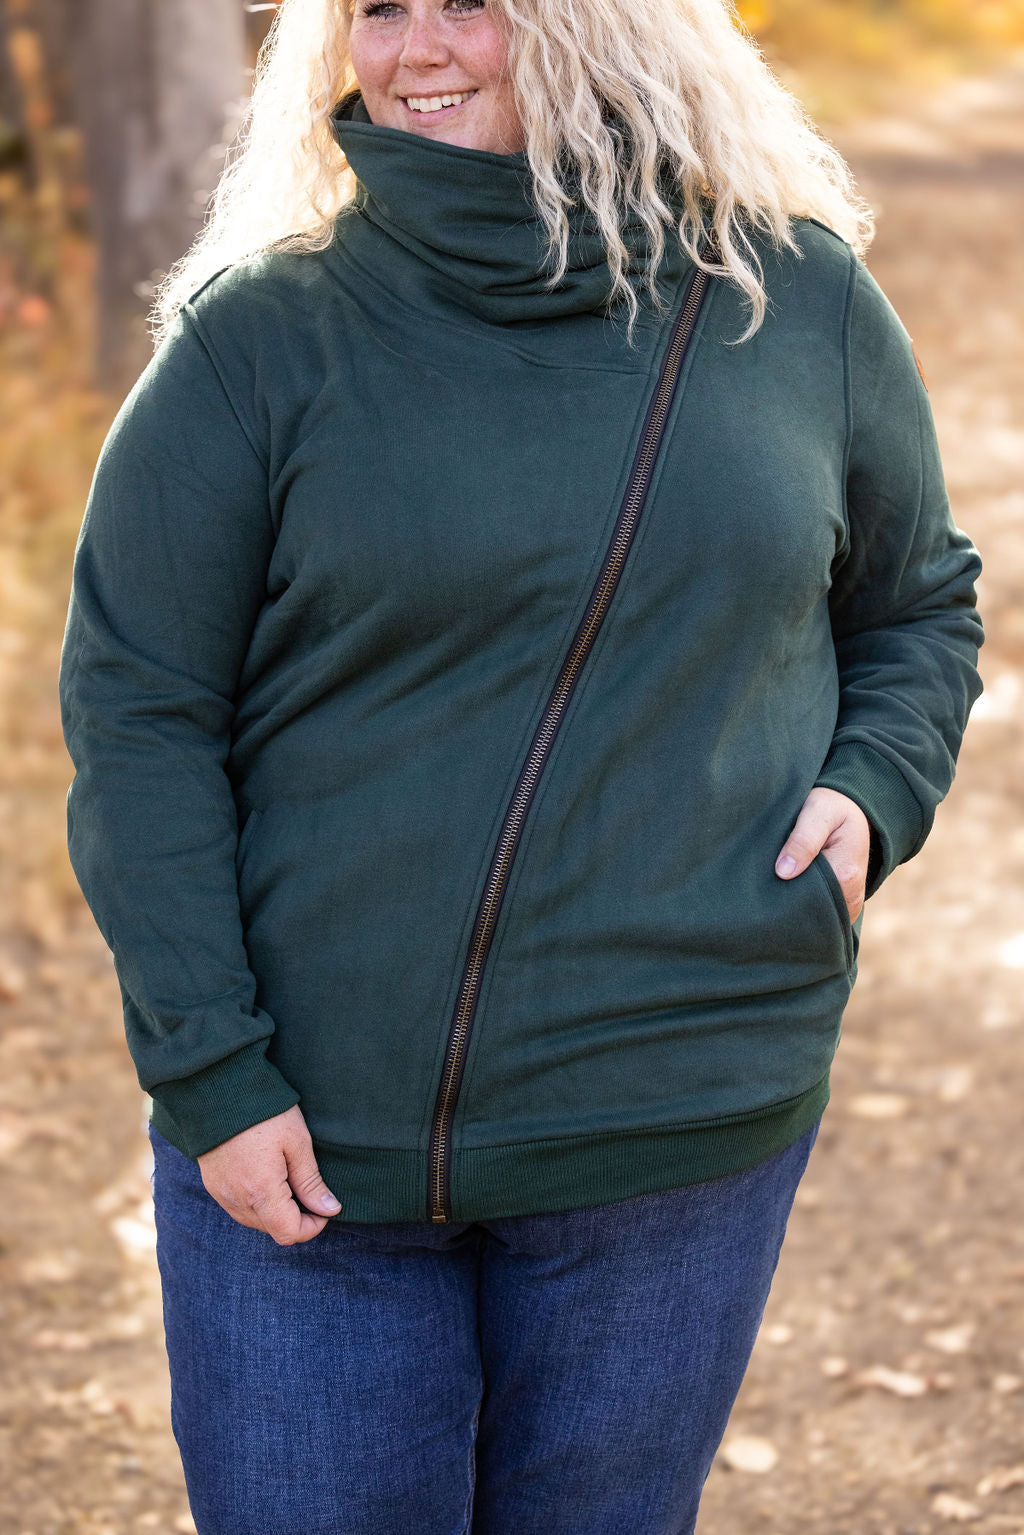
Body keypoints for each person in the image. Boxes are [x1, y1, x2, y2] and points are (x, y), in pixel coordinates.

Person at [57, 0, 985, 1528]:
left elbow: (915, 605)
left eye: (469, 2)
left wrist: (874, 793)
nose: (417, 47)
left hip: (676, 1120)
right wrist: (210, 1068)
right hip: (311, 1148)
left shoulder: (793, 303)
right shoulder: (260, 340)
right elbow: (140, 713)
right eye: (377, 7)